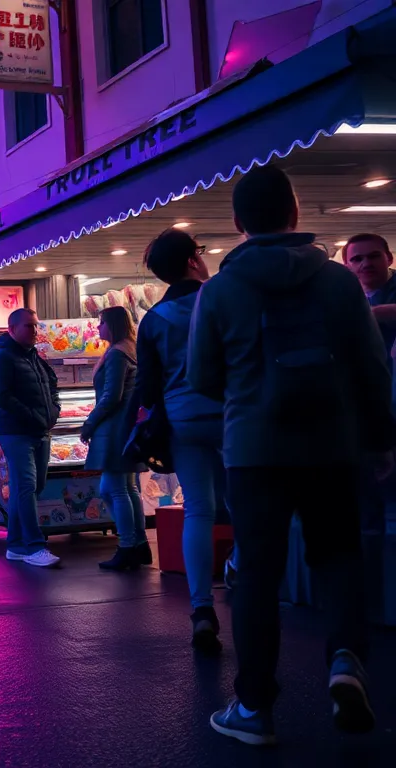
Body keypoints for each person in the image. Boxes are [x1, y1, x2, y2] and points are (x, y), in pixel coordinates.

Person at [190, 165, 394, 745]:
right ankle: (347, 661)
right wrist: (381, 440)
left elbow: (202, 377)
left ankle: (254, 707)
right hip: (333, 443)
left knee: (257, 573)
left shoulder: (220, 290)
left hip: (254, 451)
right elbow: (371, 368)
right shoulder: (337, 283)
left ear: (237, 223)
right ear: (296, 213)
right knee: (339, 556)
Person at [136, 228, 229, 651]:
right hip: (234, 415)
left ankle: (202, 609)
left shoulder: (154, 320)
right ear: (194, 260)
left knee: (199, 510)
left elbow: (148, 389)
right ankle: (243, 574)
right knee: (247, 504)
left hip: (183, 419)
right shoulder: (224, 299)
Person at [0, 308, 62, 568]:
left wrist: (54, 411)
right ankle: (34, 546)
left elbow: (50, 386)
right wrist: (33, 415)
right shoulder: (2, 359)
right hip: (16, 432)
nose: (34, 331)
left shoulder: (34, 357)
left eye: (35, 326)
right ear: (12, 329)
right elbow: (3, 396)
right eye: (29, 326)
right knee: (27, 486)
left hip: (39, 430)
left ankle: (16, 544)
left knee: (31, 487)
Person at [80, 306, 147, 571]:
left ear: (113, 325)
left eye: (101, 323)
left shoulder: (118, 353)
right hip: (127, 426)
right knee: (128, 488)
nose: (98, 328)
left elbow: (111, 396)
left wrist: (89, 423)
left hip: (115, 428)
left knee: (112, 489)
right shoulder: (129, 349)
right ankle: (139, 544)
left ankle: (128, 546)